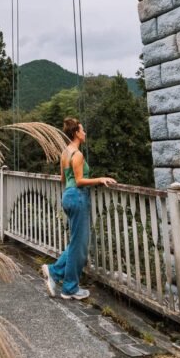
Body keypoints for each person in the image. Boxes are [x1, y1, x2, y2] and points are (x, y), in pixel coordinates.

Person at [41, 117, 117, 300]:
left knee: (77, 242)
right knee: (80, 245)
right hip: (78, 197)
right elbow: (80, 180)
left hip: (67, 196)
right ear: (76, 133)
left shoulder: (65, 154)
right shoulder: (78, 155)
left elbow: (63, 179)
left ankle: (58, 276)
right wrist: (100, 179)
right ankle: (67, 285)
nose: (85, 133)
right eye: (82, 130)